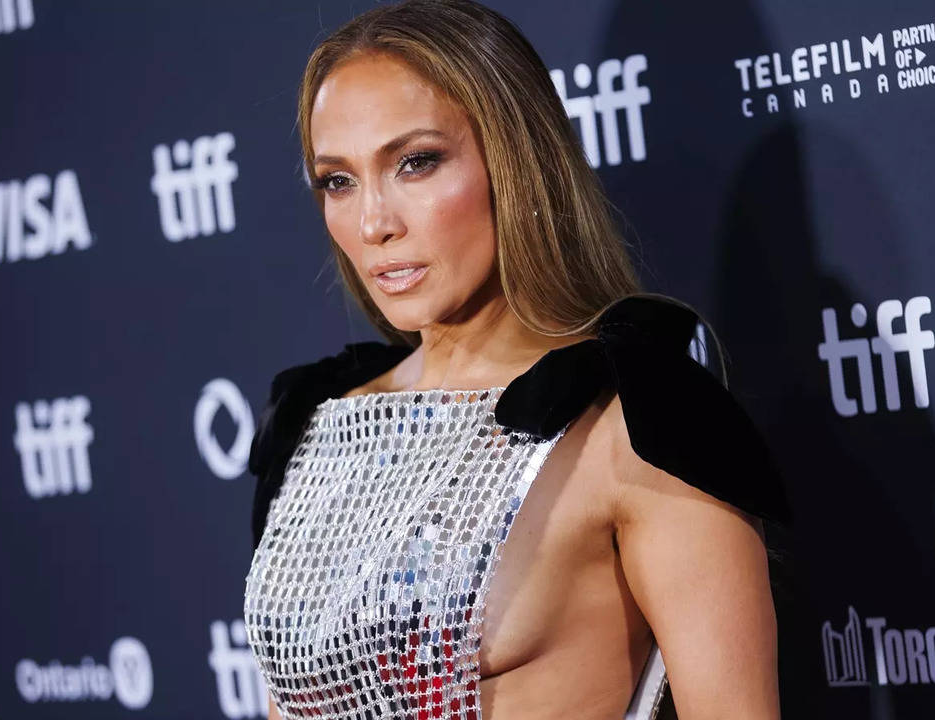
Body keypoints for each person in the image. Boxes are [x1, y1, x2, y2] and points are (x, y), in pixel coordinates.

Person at [242, 1, 790, 718]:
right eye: (338, 181)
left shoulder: (637, 427)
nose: (373, 221)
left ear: (514, 162)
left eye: (416, 163)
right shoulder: (312, 426)